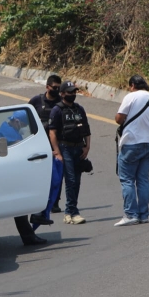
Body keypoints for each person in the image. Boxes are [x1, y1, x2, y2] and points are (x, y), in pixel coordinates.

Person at [0, 110, 50, 245]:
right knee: (20, 205)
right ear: (17, 121)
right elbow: (21, 147)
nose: (23, 128)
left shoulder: (7, 127)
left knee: (20, 206)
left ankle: (28, 235)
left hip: (8, 172)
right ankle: (28, 236)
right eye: (23, 125)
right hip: (6, 174)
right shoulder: (8, 131)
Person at [113, 75, 149, 226]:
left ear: (133, 85)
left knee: (127, 179)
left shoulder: (131, 97)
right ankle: (143, 214)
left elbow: (118, 119)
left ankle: (130, 214)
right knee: (143, 180)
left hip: (132, 142)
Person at [49, 81, 91, 225]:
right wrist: (57, 152)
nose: (72, 94)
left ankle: (70, 212)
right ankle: (71, 212)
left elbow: (86, 130)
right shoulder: (57, 110)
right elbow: (52, 132)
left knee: (77, 181)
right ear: (62, 94)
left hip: (79, 148)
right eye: (69, 92)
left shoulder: (79, 109)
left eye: (74, 92)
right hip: (65, 148)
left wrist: (87, 147)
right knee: (71, 180)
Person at [29, 74, 64, 213]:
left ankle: (55, 202)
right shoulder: (37, 100)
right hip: (39, 143)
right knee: (40, 174)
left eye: (58, 88)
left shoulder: (62, 102)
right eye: (54, 87)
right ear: (47, 87)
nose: (56, 90)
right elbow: (24, 115)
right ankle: (41, 201)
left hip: (56, 143)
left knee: (57, 174)